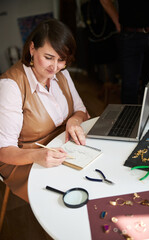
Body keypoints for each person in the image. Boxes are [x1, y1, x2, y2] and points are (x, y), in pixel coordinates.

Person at [0, 18, 89, 202]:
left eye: (61, 60)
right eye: (48, 57)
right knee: (71, 194)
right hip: (24, 159)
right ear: (32, 49)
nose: (54, 67)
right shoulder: (11, 86)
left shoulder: (61, 73)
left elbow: (81, 110)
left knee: (91, 180)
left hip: (61, 148)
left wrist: (74, 120)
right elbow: (4, 151)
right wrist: (38, 155)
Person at [100, 0, 149, 104]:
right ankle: (129, 119)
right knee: (130, 86)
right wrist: (117, 21)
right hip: (130, 35)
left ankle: (147, 119)